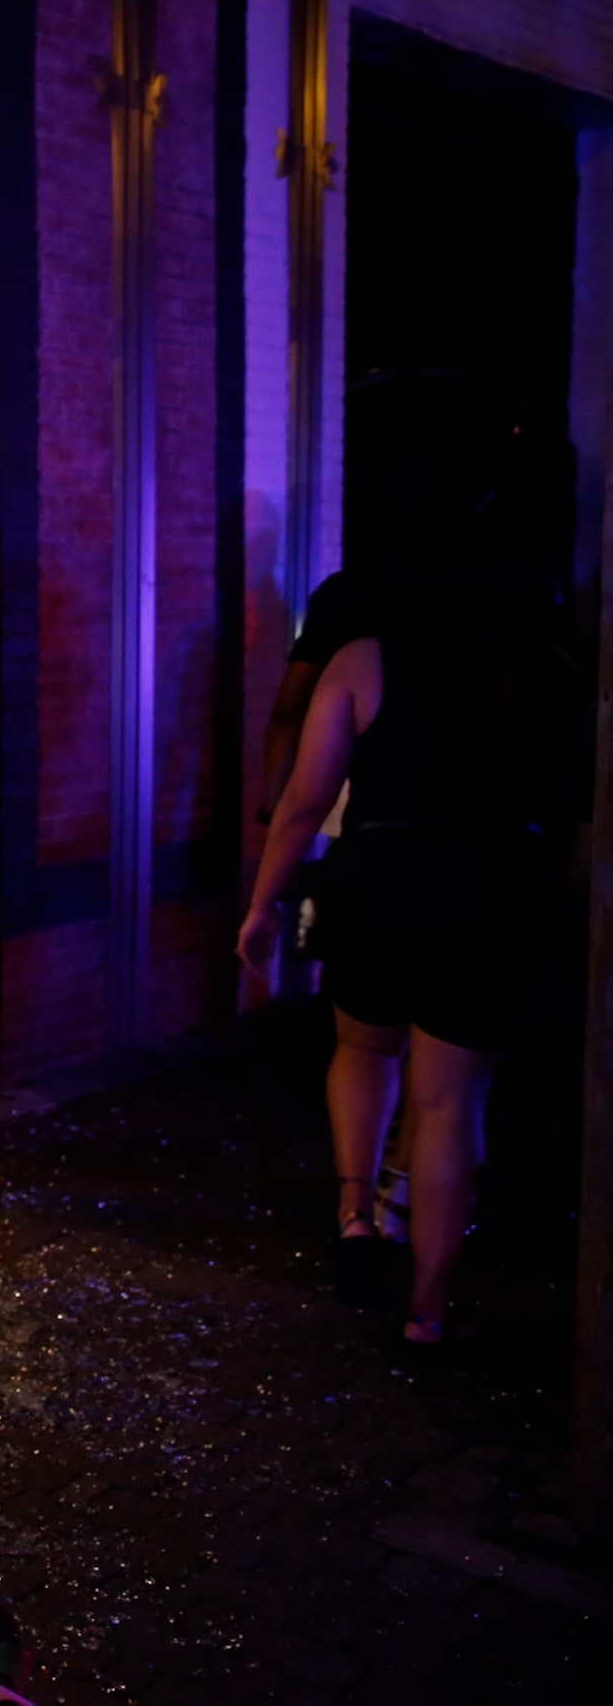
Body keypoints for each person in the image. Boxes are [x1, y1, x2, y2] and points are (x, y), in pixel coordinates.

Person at [236, 389, 579, 1350]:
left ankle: (353, 1217)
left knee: (362, 1049)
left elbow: (304, 797)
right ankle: (428, 1306)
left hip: (380, 875)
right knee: (450, 1102)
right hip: (494, 880)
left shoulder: (361, 651)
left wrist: (263, 905)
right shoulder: (543, 658)